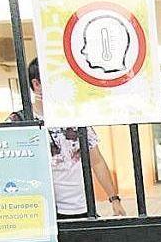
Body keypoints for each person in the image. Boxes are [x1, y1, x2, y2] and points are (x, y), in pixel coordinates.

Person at [7, 57, 126, 219]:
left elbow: (96, 161)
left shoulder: (75, 117)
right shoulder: (19, 122)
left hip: (83, 208)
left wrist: (114, 199)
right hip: (43, 213)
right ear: (37, 85)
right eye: (56, 83)